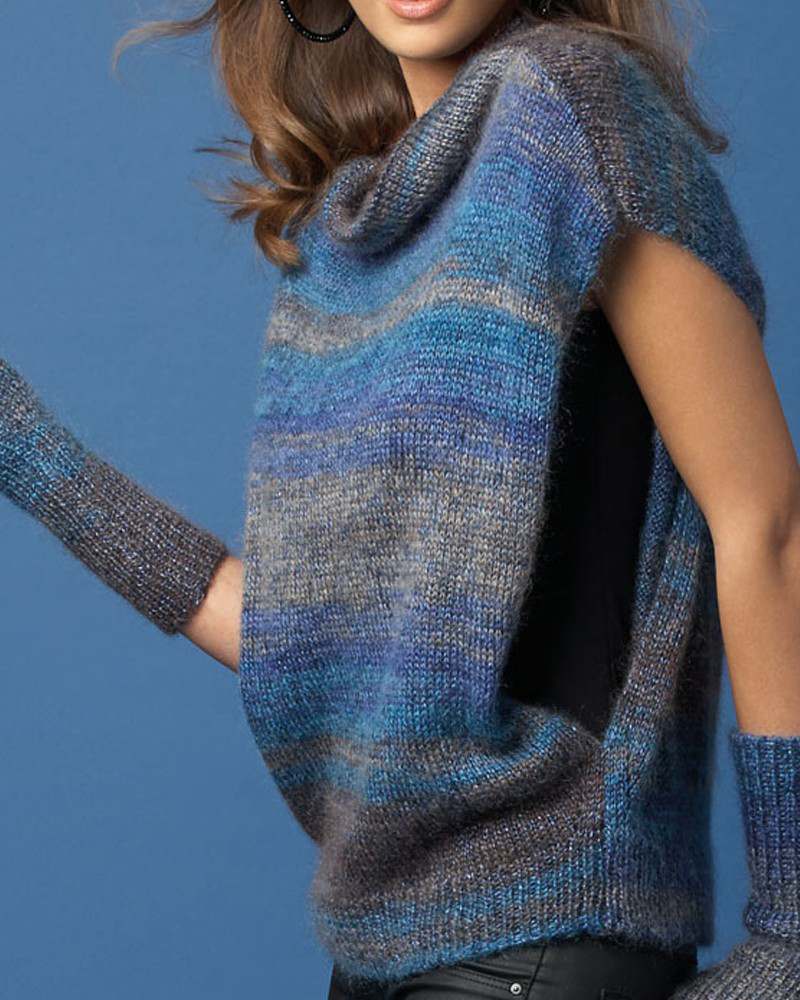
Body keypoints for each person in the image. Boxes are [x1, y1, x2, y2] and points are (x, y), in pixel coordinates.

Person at [2, 1, 799, 998]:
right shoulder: (358, 220)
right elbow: (324, 644)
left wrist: (790, 924)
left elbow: (765, 520)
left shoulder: (572, 104)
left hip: (549, 927)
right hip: (382, 940)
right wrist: (27, 449)